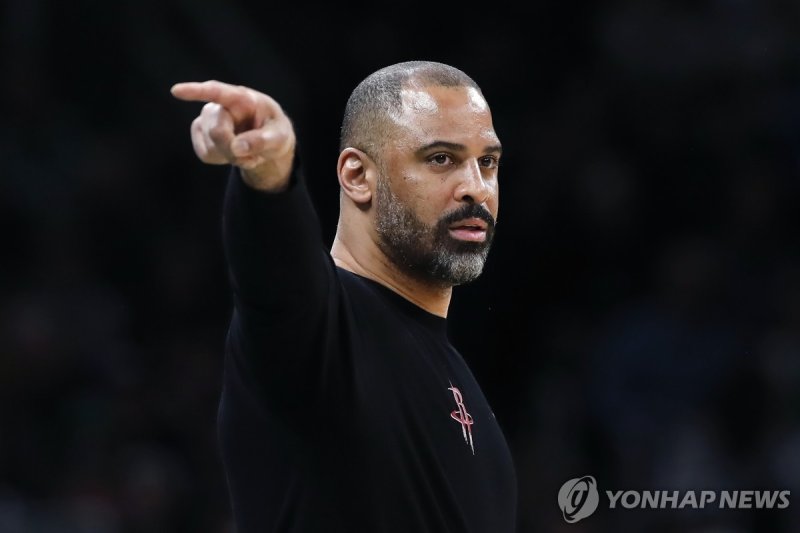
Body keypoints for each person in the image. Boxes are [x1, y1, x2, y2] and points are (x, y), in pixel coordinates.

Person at [171, 60, 516, 532]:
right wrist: (269, 169)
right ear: (357, 176)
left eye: (488, 162)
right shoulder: (319, 334)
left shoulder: (463, 382)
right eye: (441, 159)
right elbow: (277, 273)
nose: (475, 188)